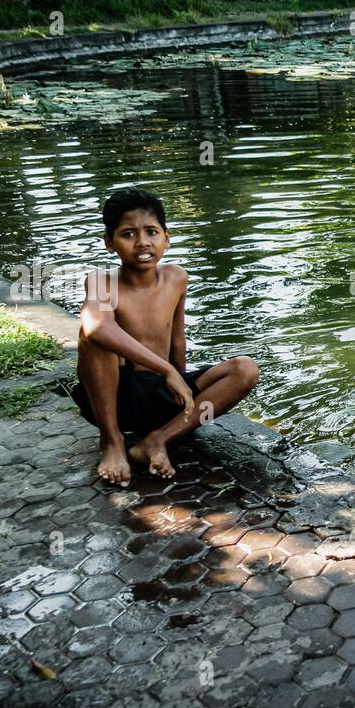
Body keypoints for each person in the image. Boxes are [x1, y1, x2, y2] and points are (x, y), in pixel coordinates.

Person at [72, 187, 259, 485]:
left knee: (245, 369)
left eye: (151, 232)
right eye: (128, 234)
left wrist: (180, 384)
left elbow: (177, 339)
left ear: (167, 238)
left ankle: (158, 439)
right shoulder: (101, 282)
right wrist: (167, 370)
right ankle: (112, 442)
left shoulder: (177, 277)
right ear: (110, 242)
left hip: (162, 396)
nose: (143, 242)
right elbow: (97, 327)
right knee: (94, 338)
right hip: (121, 400)